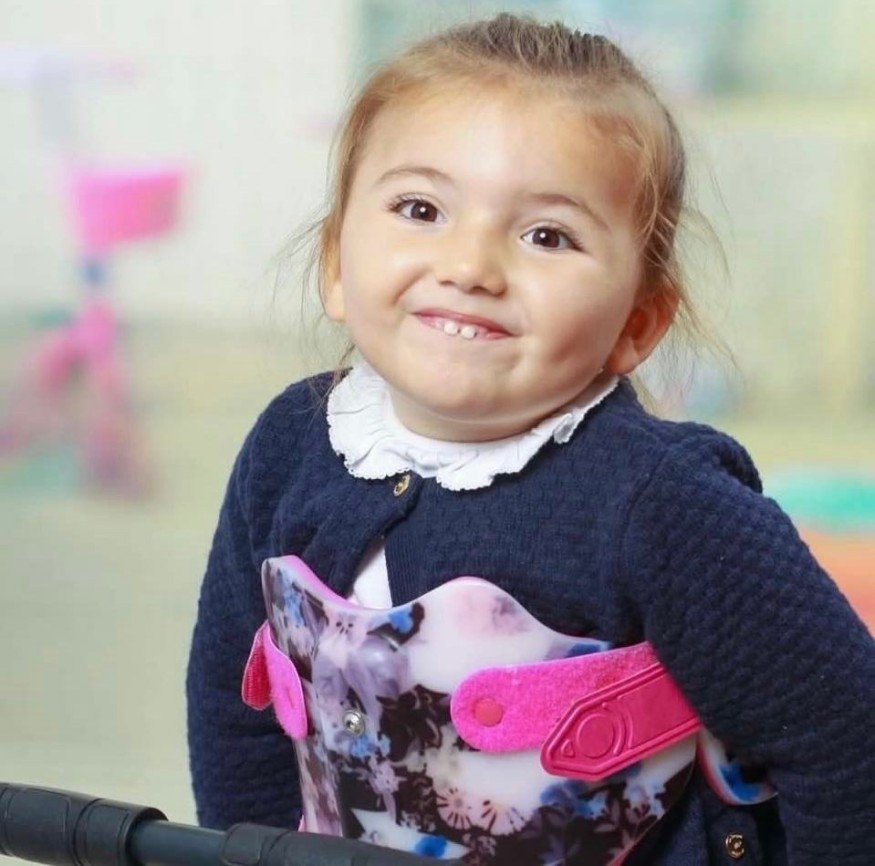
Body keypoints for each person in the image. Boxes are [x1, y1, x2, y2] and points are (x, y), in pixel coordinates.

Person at [186, 13, 875, 865]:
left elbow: (847, 745)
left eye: (546, 236)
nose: (471, 266)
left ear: (637, 321)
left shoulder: (663, 505)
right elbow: (236, 708)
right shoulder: (289, 445)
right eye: (420, 208)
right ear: (335, 263)